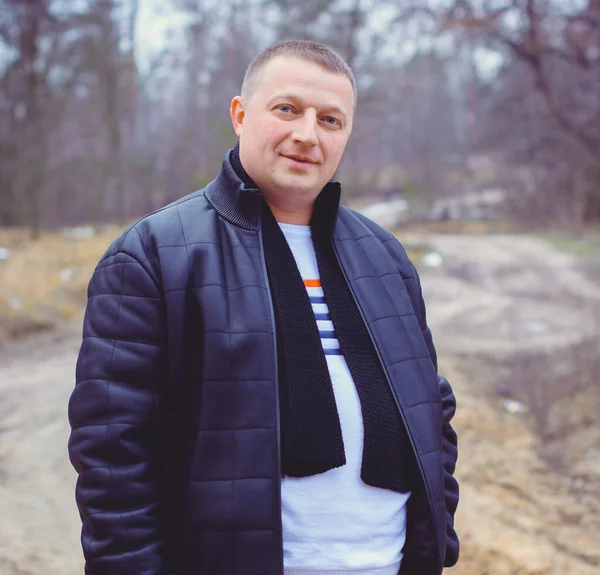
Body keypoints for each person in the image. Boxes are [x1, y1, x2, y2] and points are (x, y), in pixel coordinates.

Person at [68, 39, 459, 575]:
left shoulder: (384, 256)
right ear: (240, 114)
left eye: (330, 120)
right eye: (287, 109)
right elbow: (112, 456)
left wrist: (441, 535)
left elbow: (431, 409)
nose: (307, 134)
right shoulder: (154, 255)